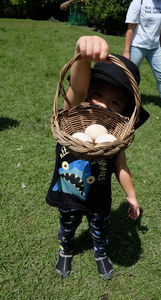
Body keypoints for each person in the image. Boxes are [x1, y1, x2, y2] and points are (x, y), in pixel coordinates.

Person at [46, 36, 149, 280]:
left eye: (115, 102)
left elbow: (121, 168)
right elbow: (79, 89)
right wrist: (81, 53)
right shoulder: (71, 116)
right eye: (98, 94)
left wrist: (131, 196)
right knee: (68, 225)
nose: (103, 105)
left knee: (100, 227)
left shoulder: (113, 139)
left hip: (99, 197)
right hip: (67, 192)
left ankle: (101, 253)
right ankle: (66, 250)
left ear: (124, 113)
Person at [124, 0, 161, 109]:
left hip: (155, 48)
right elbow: (130, 28)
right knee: (129, 75)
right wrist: (126, 52)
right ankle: (125, 100)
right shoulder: (139, 2)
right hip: (137, 46)